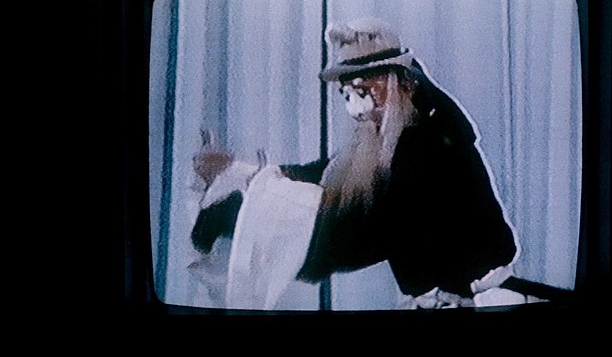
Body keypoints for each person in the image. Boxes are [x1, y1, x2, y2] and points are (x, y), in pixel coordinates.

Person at [192, 17, 523, 308]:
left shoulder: (427, 148)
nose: (357, 110)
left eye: (365, 91)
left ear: (403, 84)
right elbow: (330, 172)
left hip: (474, 299)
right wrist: (247, 173)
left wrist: (244, 208)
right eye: (348, 95)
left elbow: (356, 237)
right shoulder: (394, 136)